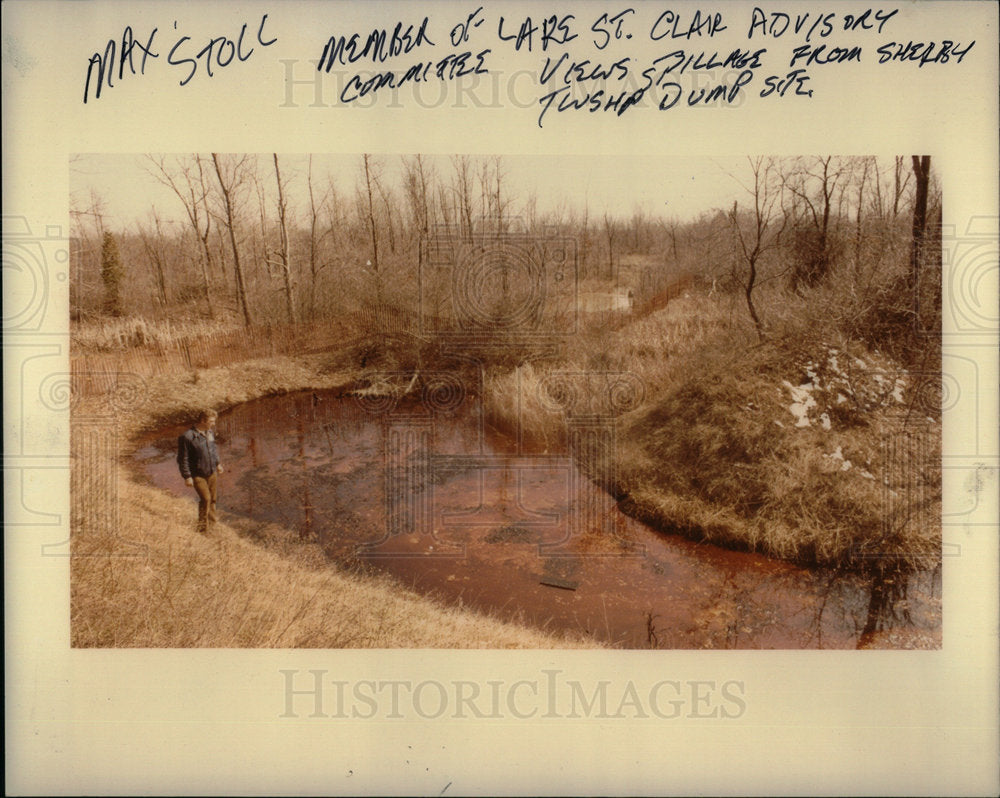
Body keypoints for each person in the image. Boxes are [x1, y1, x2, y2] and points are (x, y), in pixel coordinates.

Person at [177, 409, 224, 533]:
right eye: (211, 421)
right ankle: (202, 529)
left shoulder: (210, 432)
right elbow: (183, 459)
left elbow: (213, 450)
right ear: (202, 421)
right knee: (206, 499)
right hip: (197, 475)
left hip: (212, 472)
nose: (213, 424)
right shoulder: (187, 437)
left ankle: (213, 525)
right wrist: (187, 476)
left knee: (213, 499)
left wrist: (218, 463)